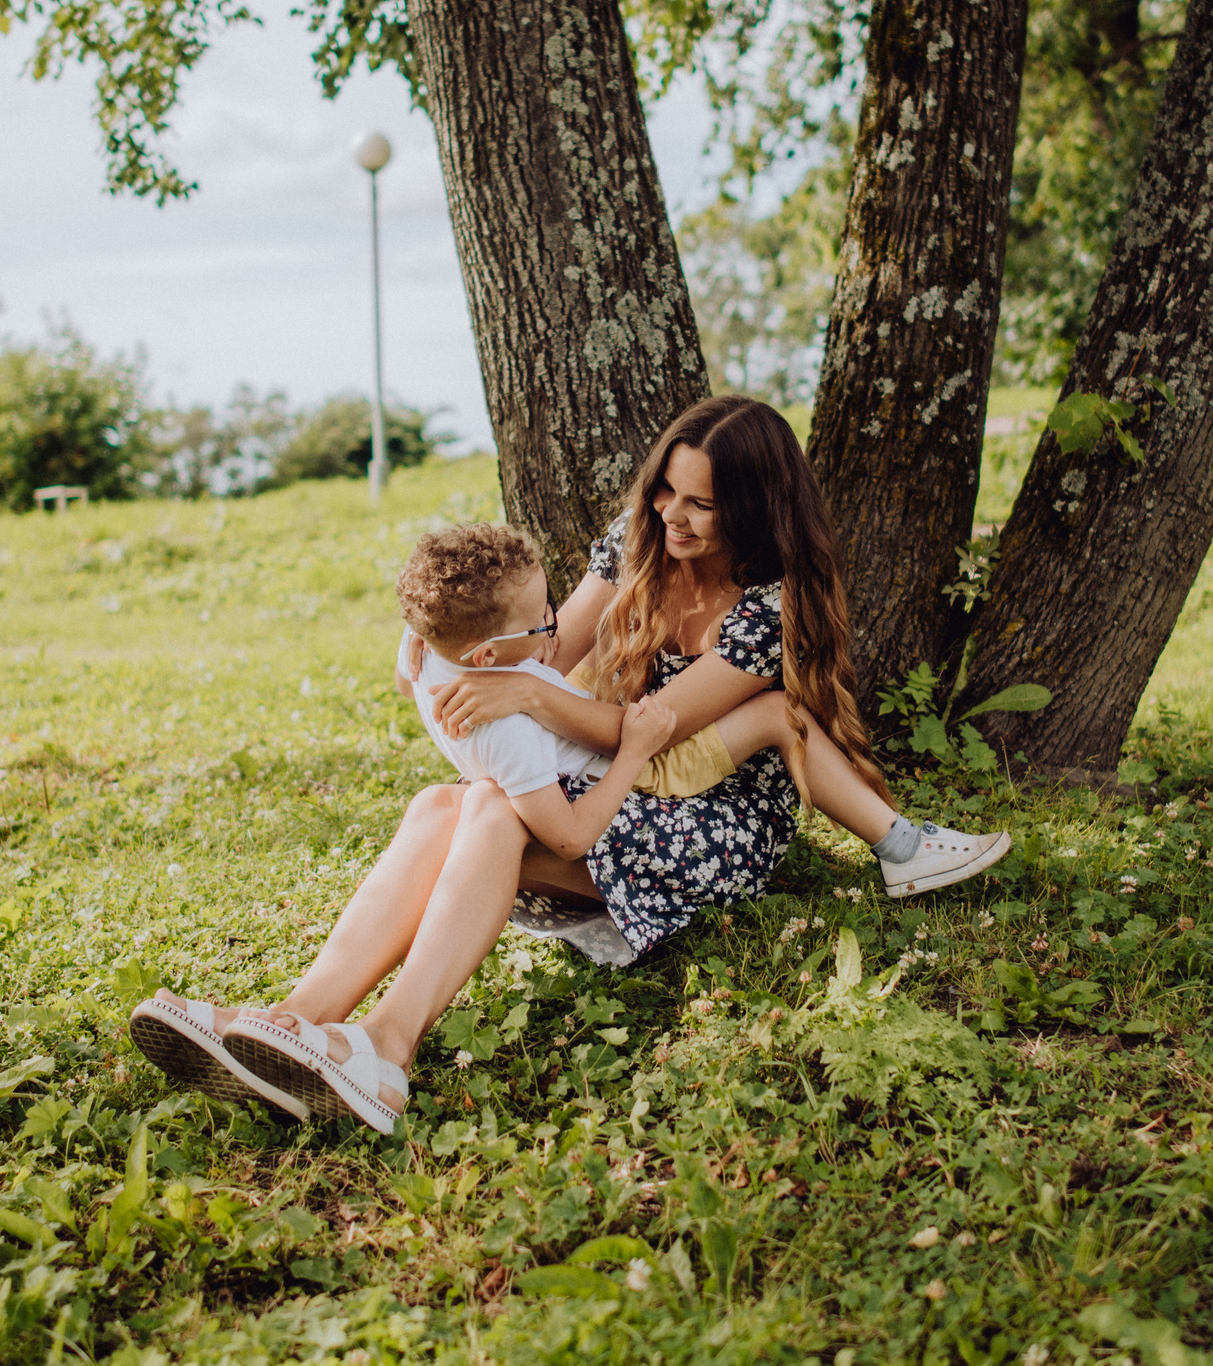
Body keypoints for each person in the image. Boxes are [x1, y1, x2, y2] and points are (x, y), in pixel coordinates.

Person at [130, 395, 1010, 1131]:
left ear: (756, 505)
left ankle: (386, 1049)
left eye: (702, 503)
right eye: (667, 490)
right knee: (445, 804)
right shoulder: (636, 543)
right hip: (618, 785)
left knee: (490, 805)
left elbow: (650, 733)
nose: (674, 515)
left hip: (709, 819)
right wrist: (441, 641)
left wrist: (536, 702)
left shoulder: (767, 610)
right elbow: (541, 651)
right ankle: (291, 1022)